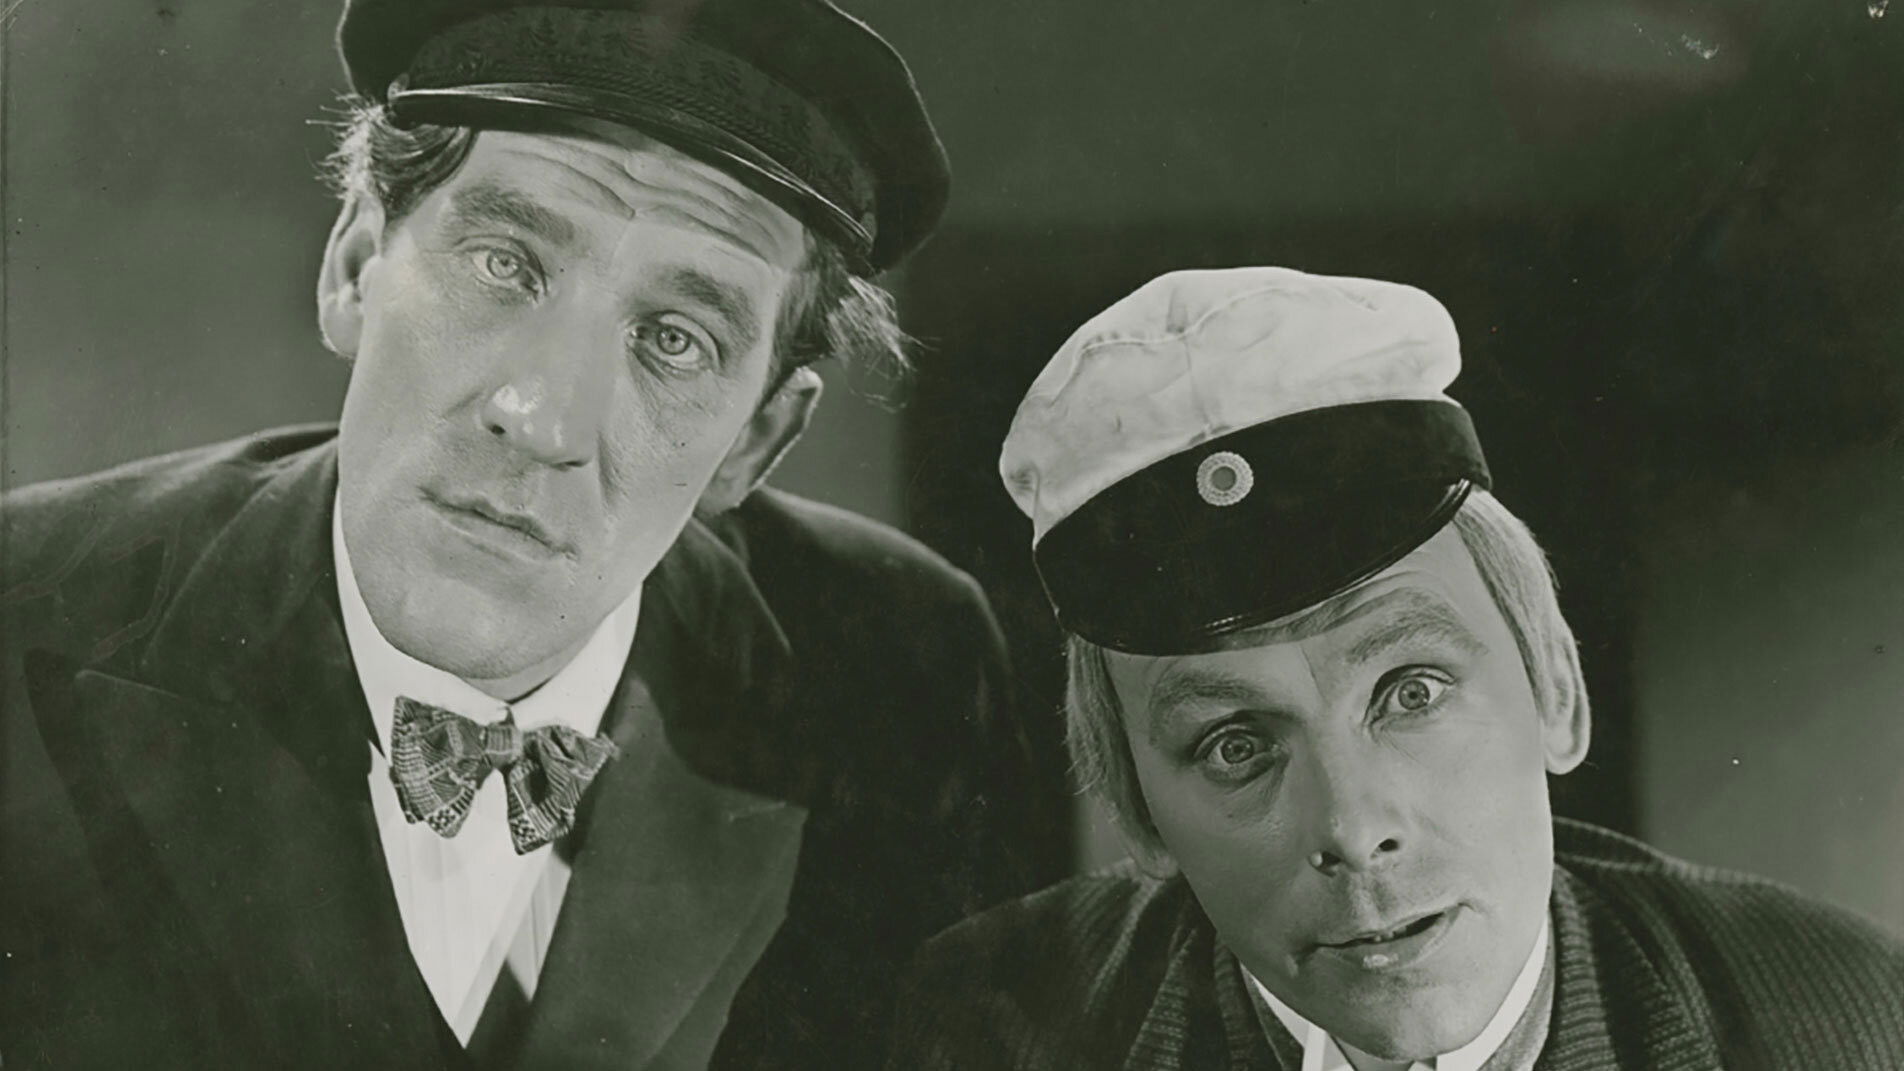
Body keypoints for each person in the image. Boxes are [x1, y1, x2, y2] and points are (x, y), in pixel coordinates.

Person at [0, 1, 1032, 1067]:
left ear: (755, 440)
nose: (542, 419)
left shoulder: (905, 666)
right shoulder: (23, 606)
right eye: (504, 264)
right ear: (355, 266)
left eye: (675, 340)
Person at [885, 266, 1904, 1070]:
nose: (1352, 828)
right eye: (1235, 745)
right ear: (1141, 817)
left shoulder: (1844, 1021)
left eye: (1412, 693)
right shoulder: (984, 1031)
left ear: (1554, 687)